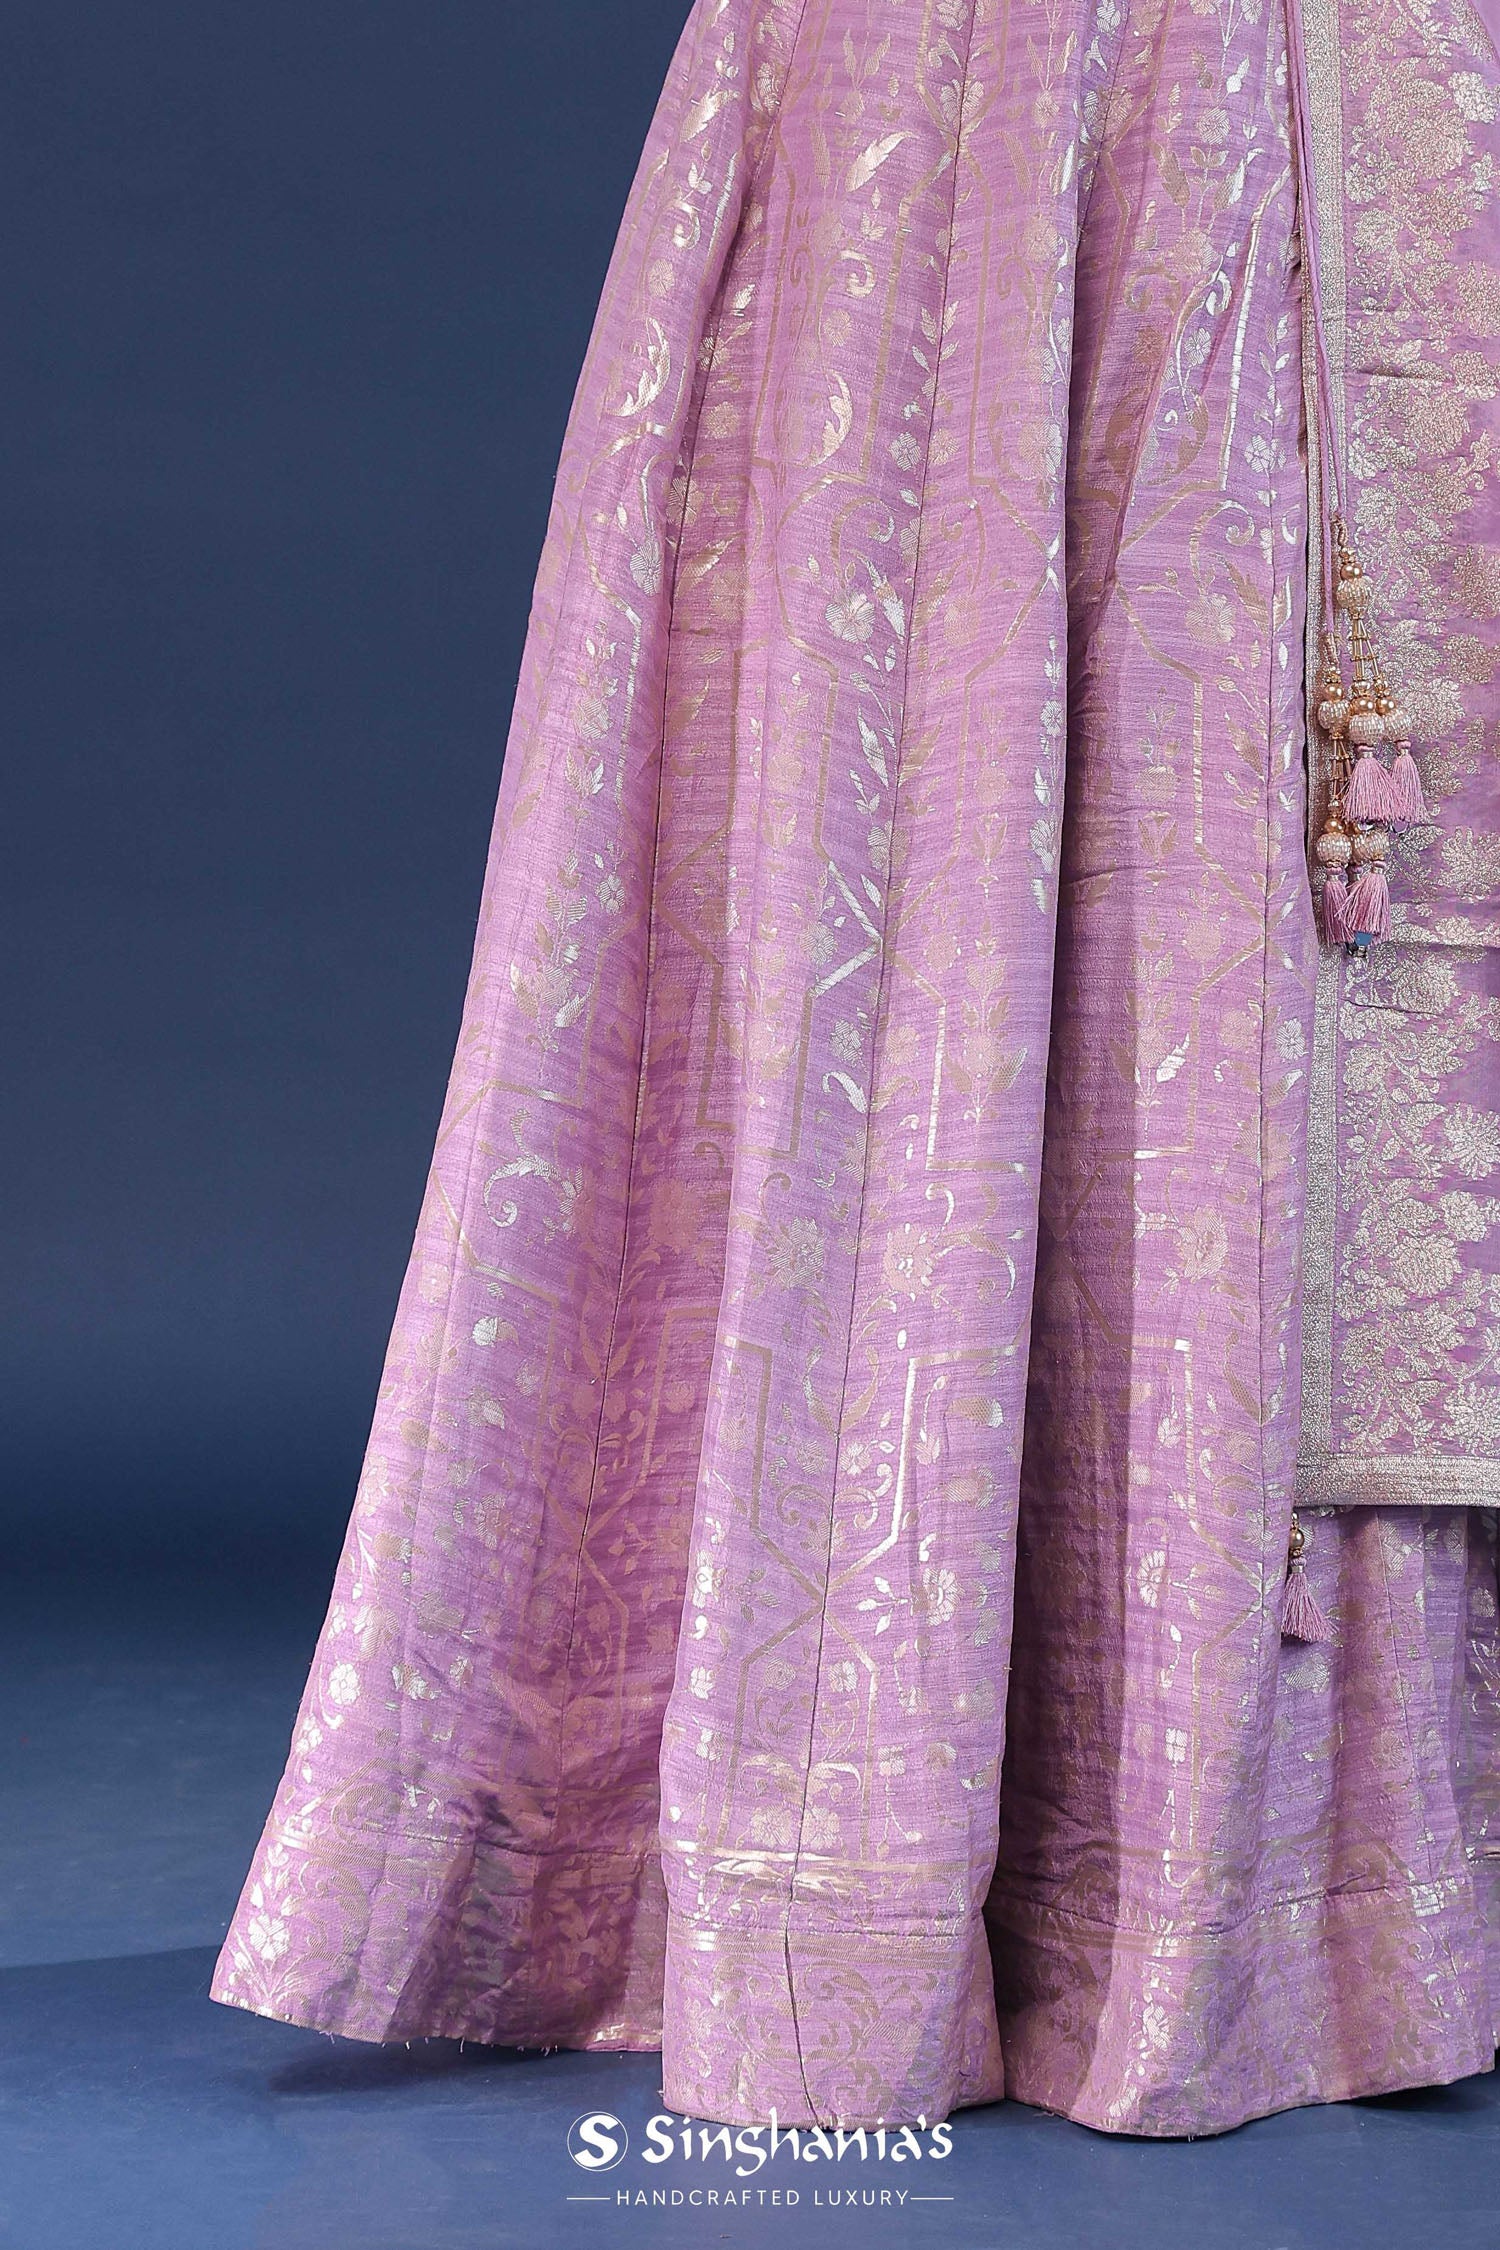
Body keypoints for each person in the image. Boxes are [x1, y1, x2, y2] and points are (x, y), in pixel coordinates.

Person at [213, 0, 1499, 2134]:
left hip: (1312, 93)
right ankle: (905, 1876)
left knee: (1242, 866)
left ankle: (1300, 1881)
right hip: (989, 83)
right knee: (925, 854)